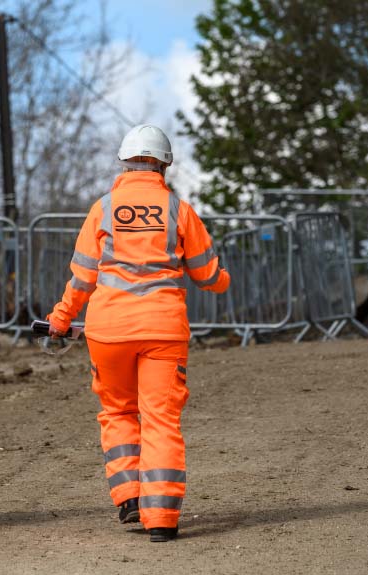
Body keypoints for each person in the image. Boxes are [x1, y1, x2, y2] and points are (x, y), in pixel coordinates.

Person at [46, 124, 230, 543]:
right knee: (161, 419)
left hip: (108, 330)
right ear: (164, 165)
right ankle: (161, 517)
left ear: (124, 163)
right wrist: (223, 279)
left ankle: (129, 496)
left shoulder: (103, 208)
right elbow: (206, 274)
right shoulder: (178, 209)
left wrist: (60, 318)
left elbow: (82, 277)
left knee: (117, 412)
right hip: (163, 330)